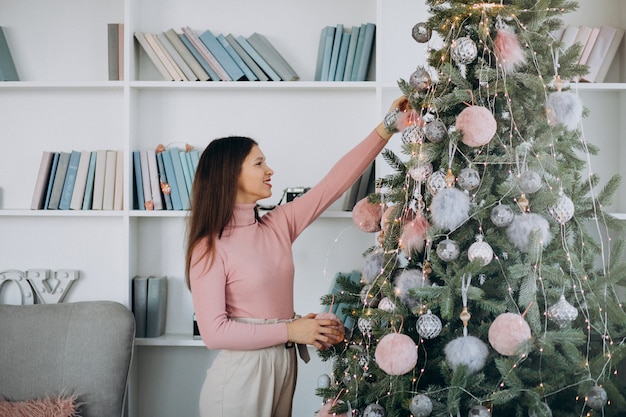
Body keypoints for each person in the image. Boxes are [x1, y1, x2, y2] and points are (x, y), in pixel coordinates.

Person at [185, 96, 409, 417]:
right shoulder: (209, 245)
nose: (270, 169)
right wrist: (291, 331)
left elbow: (333, 184)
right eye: (259, 163)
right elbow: (214, 332)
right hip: (241, 379)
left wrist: (386, 129)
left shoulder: (278, 224)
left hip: (283, 365)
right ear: (230, 174)